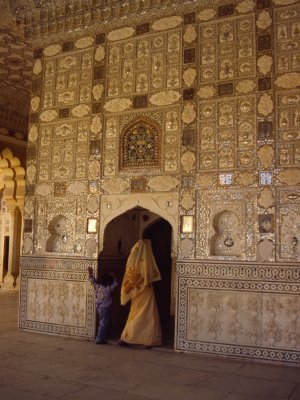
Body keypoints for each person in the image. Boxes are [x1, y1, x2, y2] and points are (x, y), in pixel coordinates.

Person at [118, 239, 162, 348]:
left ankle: (128, 337)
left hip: (138, 292)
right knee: (147, 315)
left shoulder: (133, 261)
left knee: (136, 314)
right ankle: (139, 338)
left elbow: (129, 279)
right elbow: (149, 276)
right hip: (146, 291)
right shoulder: (145, 262)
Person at [88, 266, 118, 344]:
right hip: (105, 308)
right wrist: (114, 276)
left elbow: (92, 281)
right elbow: (116, 283)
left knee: (103, 323)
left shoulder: (97, 287)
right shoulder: (108, 289)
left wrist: (90, 273)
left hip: (99, 308)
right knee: (103, 323)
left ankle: (102, 338)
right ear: (108, 282)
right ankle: (99, 339)